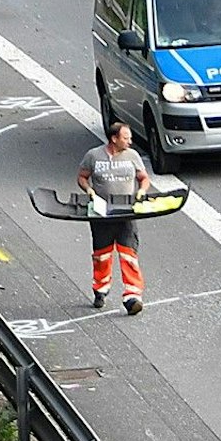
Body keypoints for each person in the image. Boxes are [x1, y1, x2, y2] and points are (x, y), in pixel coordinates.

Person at [77, 122, 151, 316]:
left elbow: (144, 178)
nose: (130, 142)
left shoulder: (132, 156)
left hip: (126, 212)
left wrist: (142, 191)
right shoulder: (93, 156)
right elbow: (82, 177)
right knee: (101, 255)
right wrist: (89, 190)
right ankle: (100, 290)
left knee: (129, 255)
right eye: (126, 138)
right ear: (114, 138)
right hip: (101, 214)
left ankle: (132, 297)